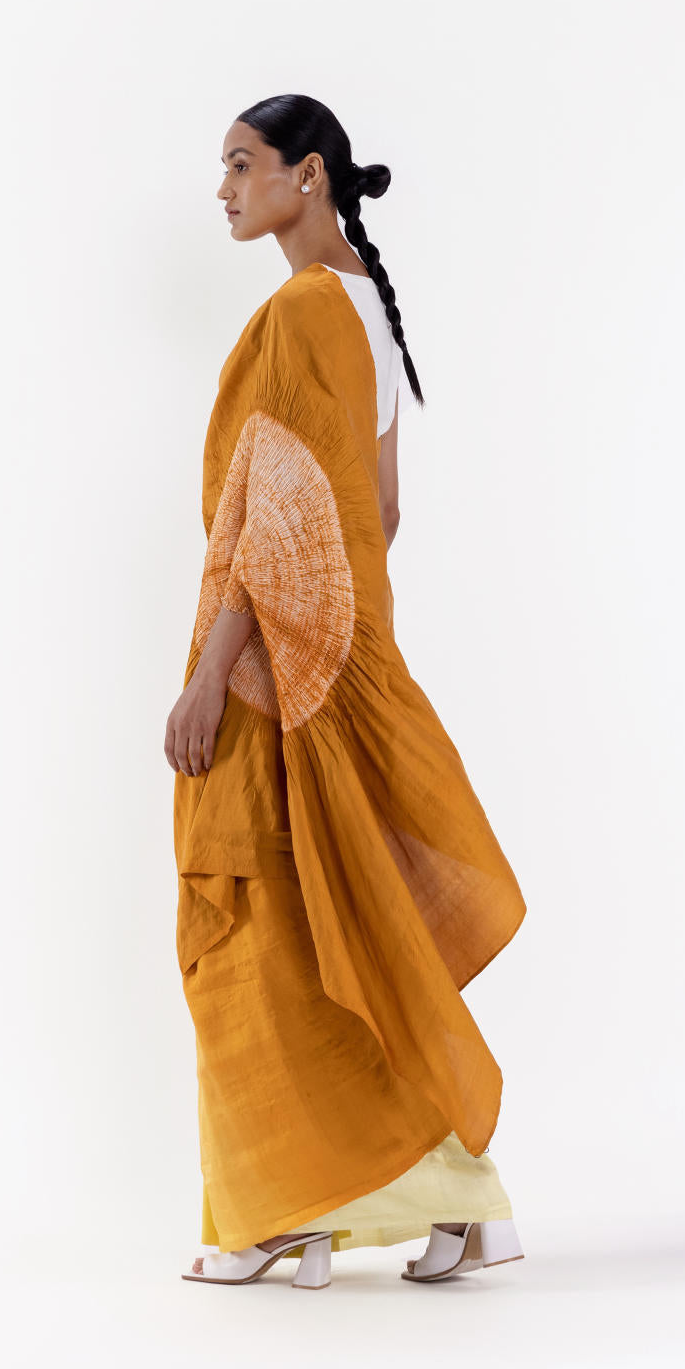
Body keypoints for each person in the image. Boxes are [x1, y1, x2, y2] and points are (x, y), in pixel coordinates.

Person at [164, 94, 528, 1290]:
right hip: (344, 657)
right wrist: (341, 637)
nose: (224, 188)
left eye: (242, 164)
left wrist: (216, 675)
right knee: (344, 920)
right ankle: (449, 1203)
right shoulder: (369, 303)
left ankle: (284, 1215)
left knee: (261, 922)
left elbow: (272, 520)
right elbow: (383, 509)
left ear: (307, 175)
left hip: (277, 672)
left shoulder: (303, 310)